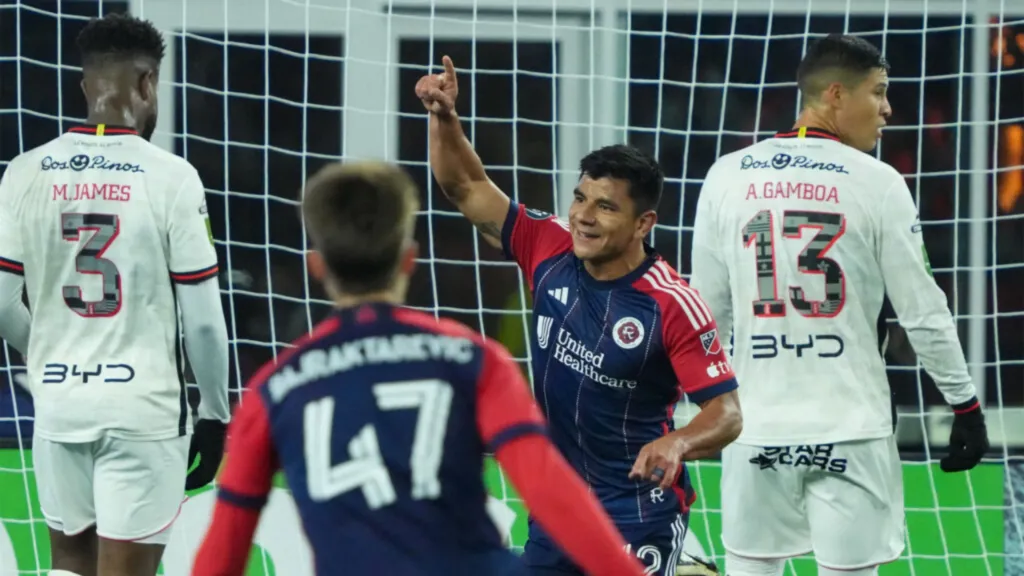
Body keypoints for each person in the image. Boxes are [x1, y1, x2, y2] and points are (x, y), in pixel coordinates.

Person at [191, 161, 648, 576]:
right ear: (409, 259)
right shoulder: (473, 360)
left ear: (317, 266)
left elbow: (222, 550)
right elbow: (552, 492)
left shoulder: (275, 389)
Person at [416, 56, 743, 576]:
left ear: (644, 223)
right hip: (557, 507)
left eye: (606, 207)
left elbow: (726, 413)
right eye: (579, 198)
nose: (583, 217)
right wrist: (444, 117)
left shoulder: (671, 303)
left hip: (637, 512)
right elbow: (466, 188)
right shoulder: (548, 247)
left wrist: (677, 441)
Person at [689, 34, 990, 576]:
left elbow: (705, 313)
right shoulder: (878, 183)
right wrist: (964, 404)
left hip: (755, 427)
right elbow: (922, 310)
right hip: (851, 427)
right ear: (835, 95)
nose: (888, 109)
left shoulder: (726, 176)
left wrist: (693, 410)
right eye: (878, 92)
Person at [0, 13, 230, 576]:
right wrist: (216, 413)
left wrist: (46, 353)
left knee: (70, 566)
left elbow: (1, 299)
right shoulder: (172, 177)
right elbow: (202, 321)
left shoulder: (25, 173)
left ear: (85, 86)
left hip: (59, 404)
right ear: (149, 84)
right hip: (143, 411)